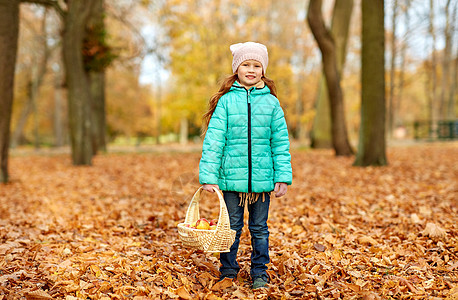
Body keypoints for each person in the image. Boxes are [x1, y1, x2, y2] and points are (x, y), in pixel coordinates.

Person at [199, 42, 292, 289]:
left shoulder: (272, 104)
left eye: (256, 65)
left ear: (263, 70)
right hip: (232, 180)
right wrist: (209, 175)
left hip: (262, 182)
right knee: (231, 228)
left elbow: (280, 143)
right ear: (236, 68)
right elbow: (214, 140)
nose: (251, 69)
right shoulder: (227, 102)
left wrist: (282, 176)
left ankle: (260, 272)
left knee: (260, 229)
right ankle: (228, 270)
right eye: (246, 64)